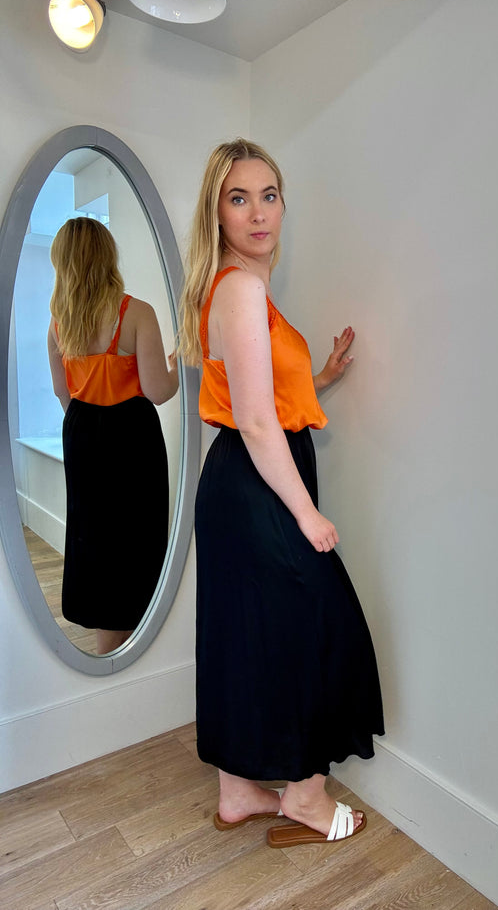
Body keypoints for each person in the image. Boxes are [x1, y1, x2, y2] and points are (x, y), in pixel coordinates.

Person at [179, 138, 384, 848]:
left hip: (243, 478)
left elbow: (262, 391)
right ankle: (306, 797)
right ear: (217, 213)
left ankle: (238, 792)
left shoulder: (235, 289)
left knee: (247, 631)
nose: (258, 212)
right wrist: (307, 513)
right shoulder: (239, 289)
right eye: (239, 198)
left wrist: (318, 377)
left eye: (269, 195)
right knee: (320, 627)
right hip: (258, 481)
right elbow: (258, 420)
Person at [47, 217, 179, 655]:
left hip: (82, 434)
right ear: (108, 255)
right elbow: (158, 391)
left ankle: (106, 645)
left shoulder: (59, 324)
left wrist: (88, 428)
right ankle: (140, 641)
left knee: (93, 535)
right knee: (138, 534)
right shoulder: (136, 313)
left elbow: (63, 393)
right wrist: (176, 367)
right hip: (132, 436)